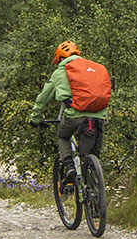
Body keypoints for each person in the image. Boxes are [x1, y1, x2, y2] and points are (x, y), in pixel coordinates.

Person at [29, 40, 107, 183]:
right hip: (99, 117)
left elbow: (43, 98)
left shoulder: (61, 71)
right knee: (90, 157)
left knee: (62, 135)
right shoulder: (95, 68)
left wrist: (36, 118)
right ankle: (93, 194)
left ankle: (69, 166)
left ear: (61, 58)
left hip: (75, 116)